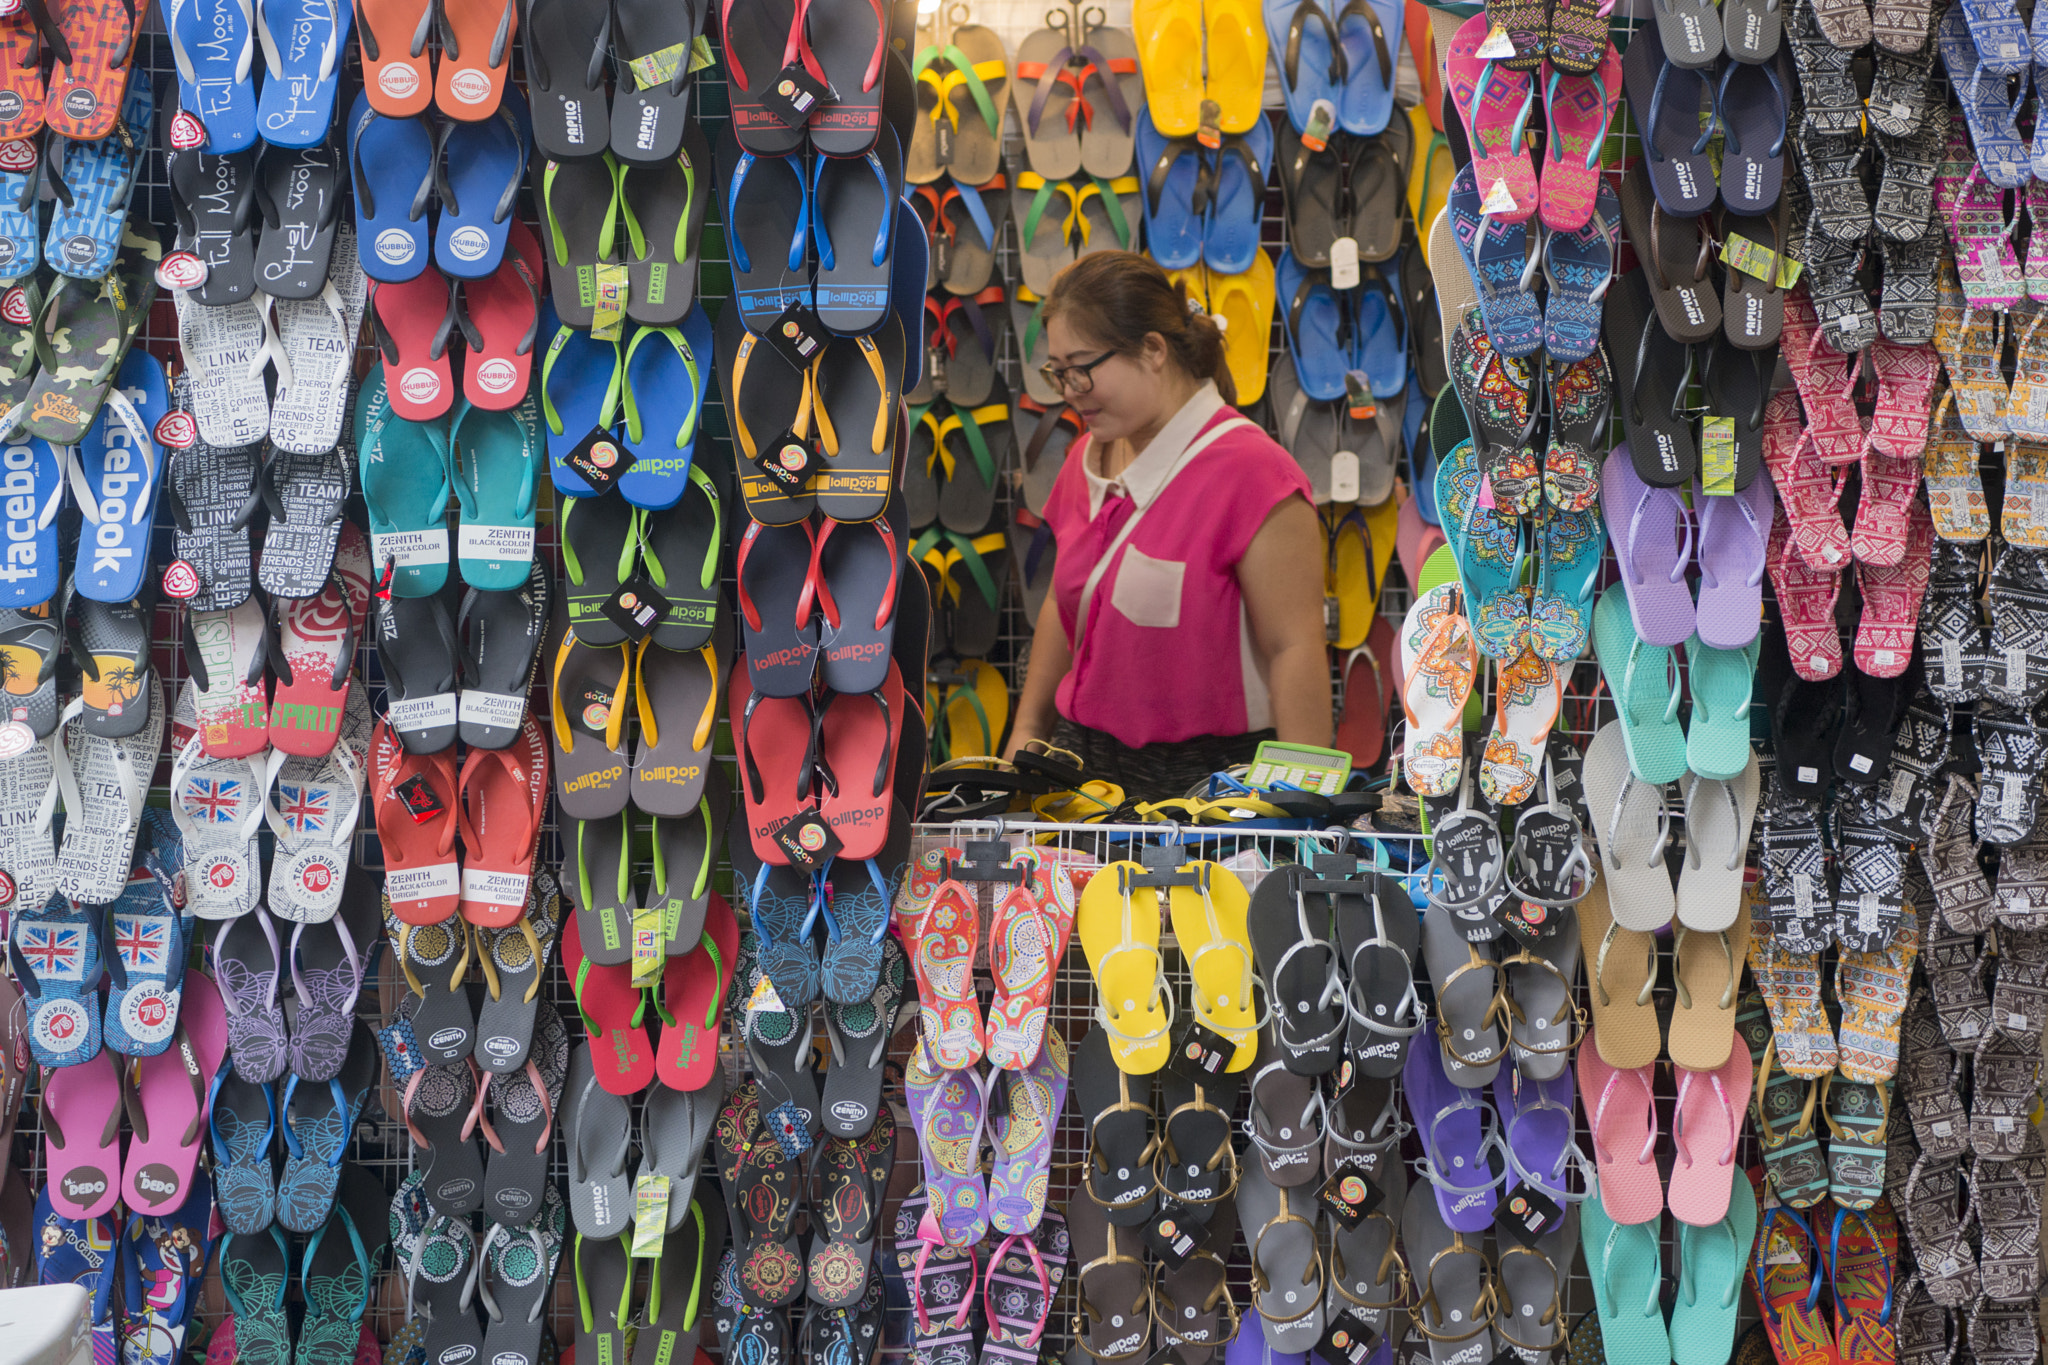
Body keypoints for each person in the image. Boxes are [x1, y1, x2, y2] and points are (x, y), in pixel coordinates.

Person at [1001, 251, 1331, 799]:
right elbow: (1068, 606)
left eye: (1082, 367)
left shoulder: (1254, 474)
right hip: (1079, 767)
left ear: (1152, 350)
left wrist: (1301, 814)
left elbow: (1293, 650)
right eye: (1057, 372)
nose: (1069, 389)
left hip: (1212, 780)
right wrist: (1028, 731)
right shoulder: (1085, 459)